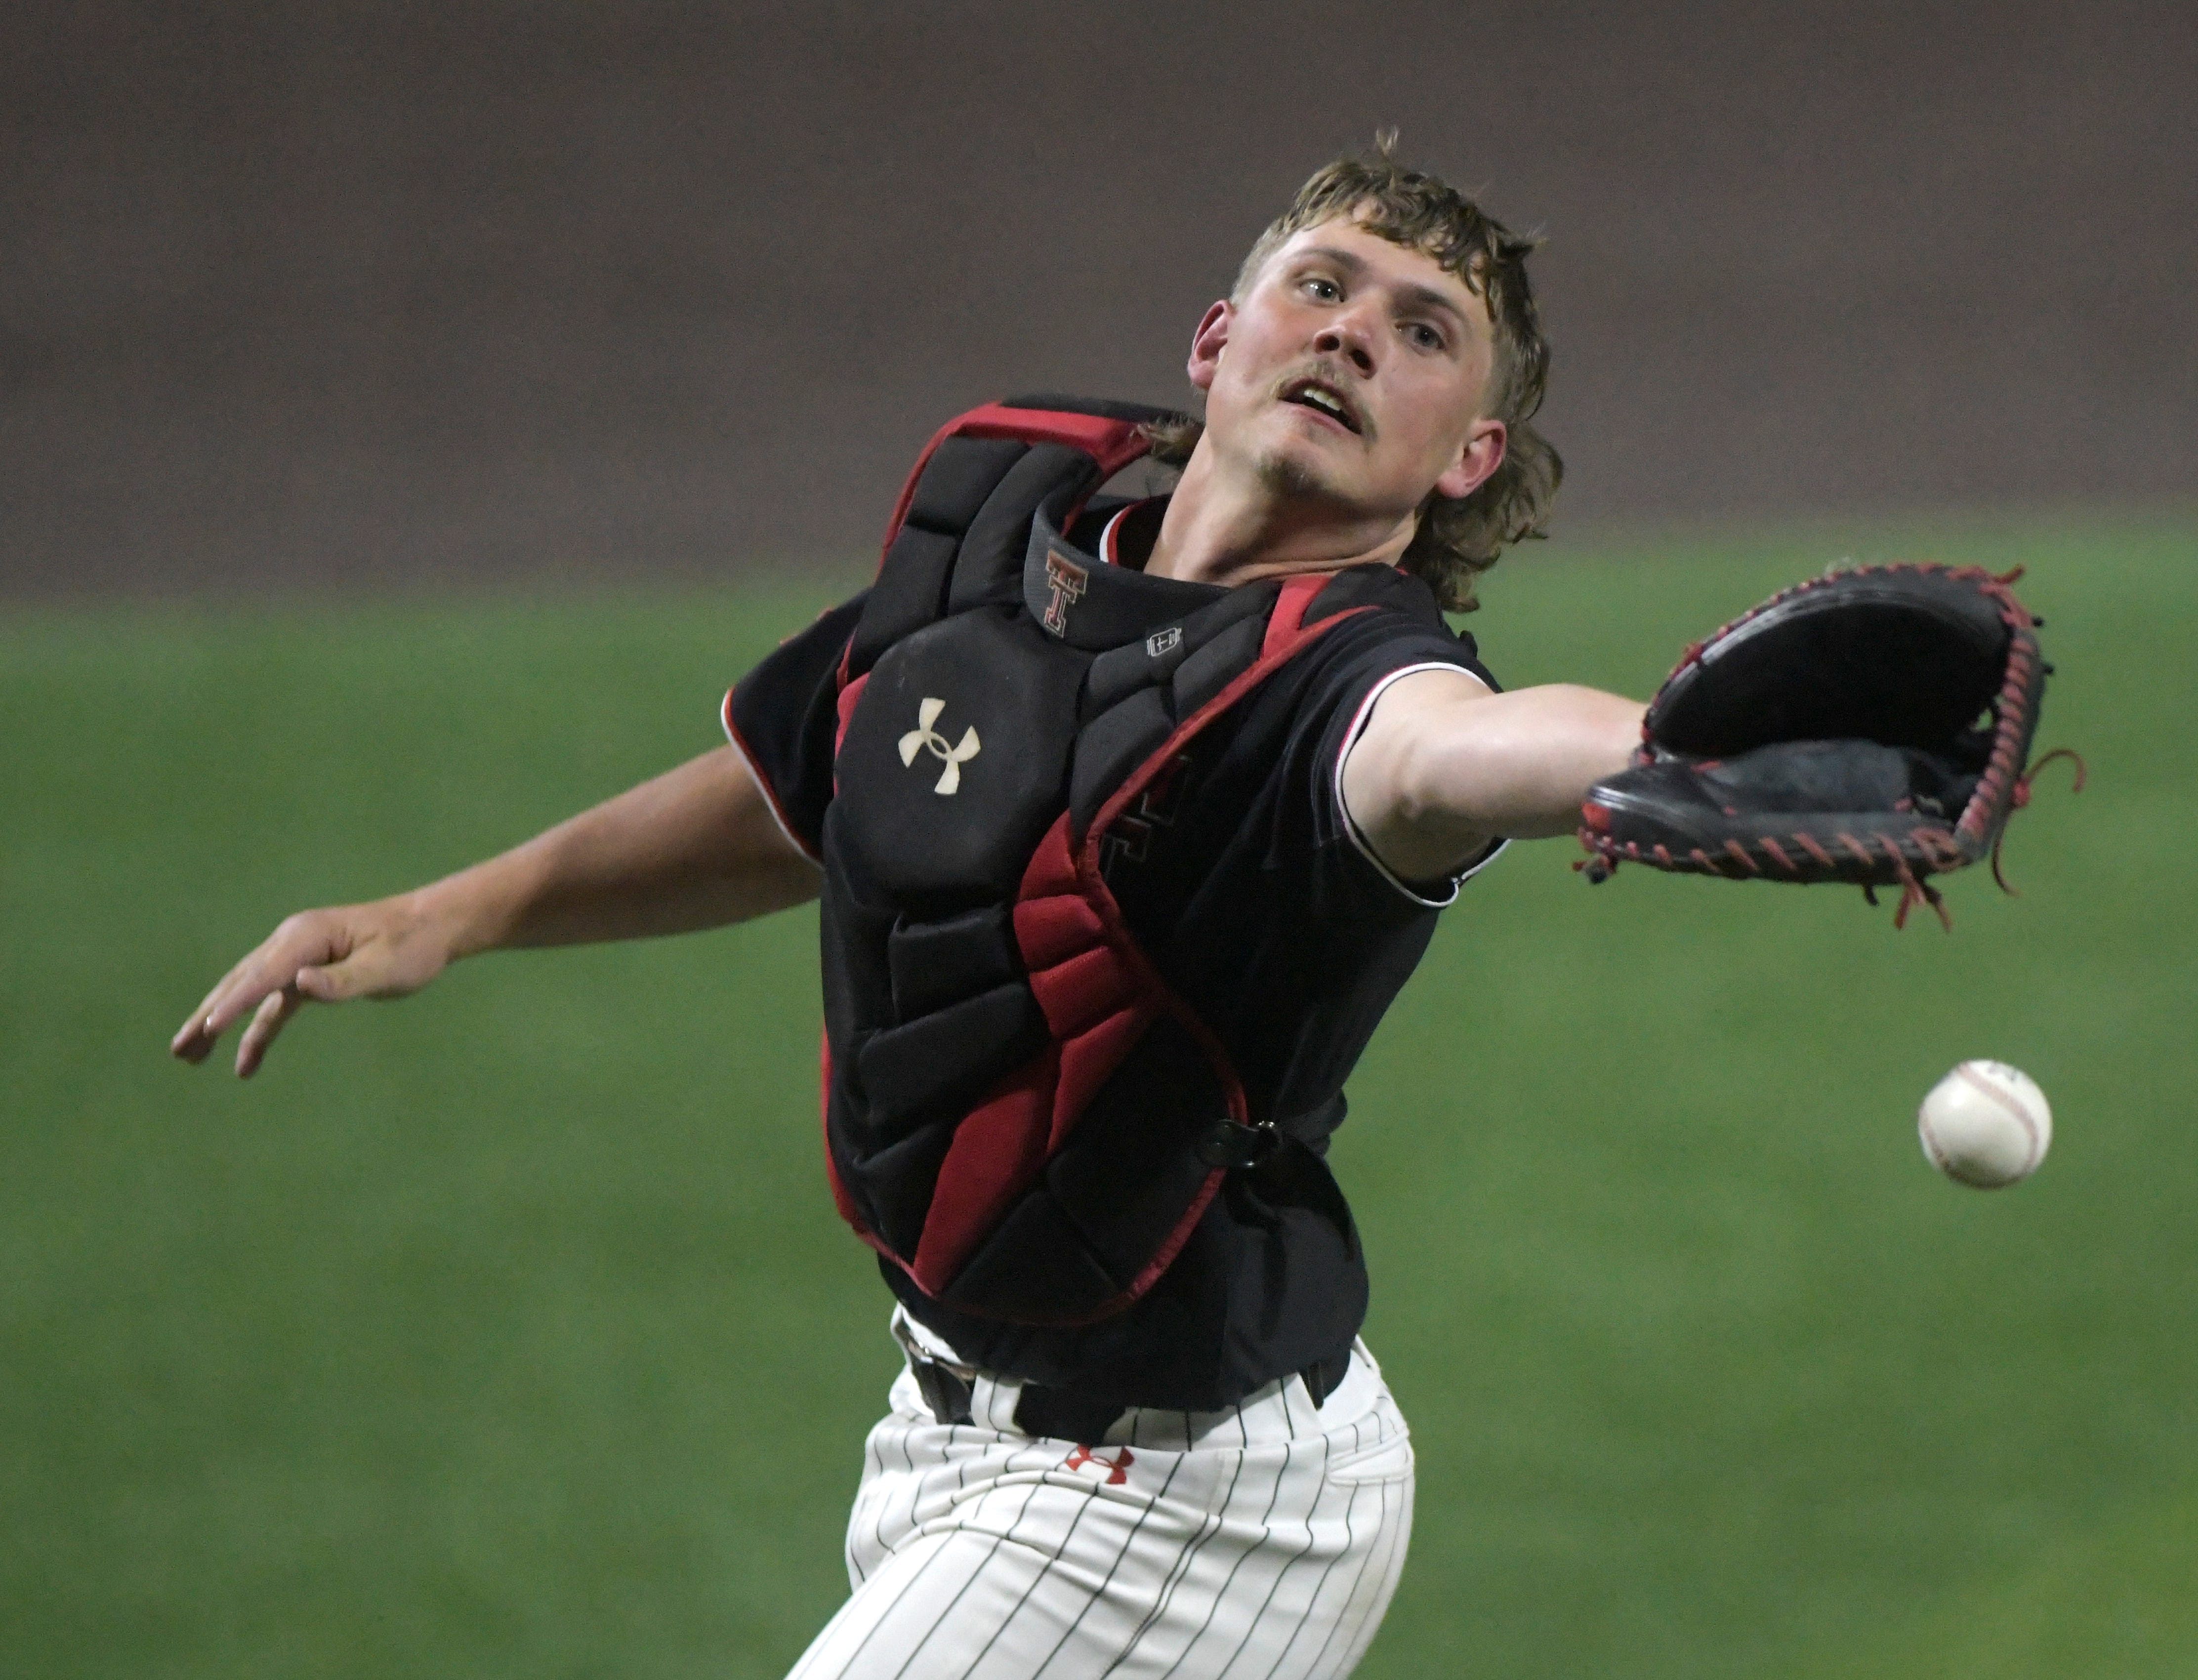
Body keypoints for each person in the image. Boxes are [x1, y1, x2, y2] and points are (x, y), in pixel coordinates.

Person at [172, 146, 1645, 1678]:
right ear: (1219, 342)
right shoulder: (1001, 560)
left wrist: (1674, 753)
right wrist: (450, 913)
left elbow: (1468, 750)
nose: (1351, 333)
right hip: (941, 1440)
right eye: (1323, 288)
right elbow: (805, 786)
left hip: (1188, 1508)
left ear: (1466, 459)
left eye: (1421, 330)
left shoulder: (1352, 689)